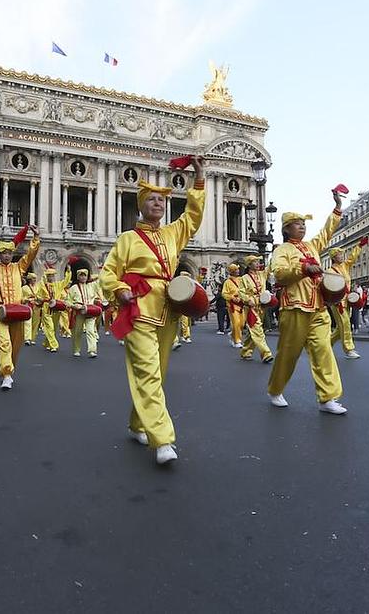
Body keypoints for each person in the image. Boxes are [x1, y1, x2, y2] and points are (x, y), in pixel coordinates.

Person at [99, 157, 206, 465]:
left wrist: (199, 179)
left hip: (168, 310)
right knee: (148, 372)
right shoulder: (127, 239)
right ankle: (163, 440)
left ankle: (137, 423)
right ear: (141, 206)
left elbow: (193, 216)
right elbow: (108, 274)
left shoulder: (173, 233)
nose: (158, 203)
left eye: (162, 200)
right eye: (152, 199)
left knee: (156, 374)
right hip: (138, 310)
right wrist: (121, 290)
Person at [266, 190, 348, 414]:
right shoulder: (282, 250)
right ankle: (275, 389)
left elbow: (327, 231)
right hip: (294, 307)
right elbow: (280, 274)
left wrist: (337, 207)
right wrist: (303, 268)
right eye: (296, 224)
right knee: (288, 353)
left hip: (318, 307)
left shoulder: (312, 246)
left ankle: (327, 398)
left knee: (323, 350)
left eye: (303, 224)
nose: (302, 227)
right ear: (286, 229)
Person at [0, 226, 41, 389]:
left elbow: (31, 255)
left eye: (10, 253)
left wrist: (36, 237)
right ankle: (7, 374)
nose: (7, 256)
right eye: (4, 253)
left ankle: (10, 367)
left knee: (16, 344)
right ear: (0, 255)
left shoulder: (19, 267)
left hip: (17, 312)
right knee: (4, 342)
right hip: (0, 312)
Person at [327, 241, 365, 359]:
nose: (342, 256)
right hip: (338, 302)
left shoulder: (344, 266)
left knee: (340, 327)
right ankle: (349, 349)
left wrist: (359, 246)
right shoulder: (330, 271)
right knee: (346, 324)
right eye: (339, 255)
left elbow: (352, 257)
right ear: (334, 257)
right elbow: (329, 287)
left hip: (346, 301)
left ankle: (326, 345)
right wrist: (335, 299)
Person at [238, 255, 274, 363]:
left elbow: (271, 266)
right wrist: (247, 299)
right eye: (255, 262)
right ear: (249, 265)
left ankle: (245, 351)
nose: (258, 264)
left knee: (253, 331)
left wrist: (275, 252)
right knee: (257, 330)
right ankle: (266, 353)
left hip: (261, 306)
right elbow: (241, 292)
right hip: (251, 308)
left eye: (258, 262)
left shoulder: (262, 275)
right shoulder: (244, 278)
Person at [67, 268, 102, 358]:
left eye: (84, 275)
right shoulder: (73, 288)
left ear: (87, 277)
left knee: (91, 331)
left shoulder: (92, 286)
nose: (83, 277)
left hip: (90, 311)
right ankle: (76, 349)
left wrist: (102, 270)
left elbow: (101, 279)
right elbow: (67, 301)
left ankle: (92, 350)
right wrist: (74, 306)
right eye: (81, 275)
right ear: (78, 277)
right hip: (79, 312)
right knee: (77, 332)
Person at [221, 264, 245, 348]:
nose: (238, 271)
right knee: (236, 322)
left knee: (241, 324)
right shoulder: (227, 282)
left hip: (241, 304)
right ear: (232, 271)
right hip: (232, 305)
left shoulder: (241, 279)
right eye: (236, 269)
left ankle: (233, 334)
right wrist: (232, 298)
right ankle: (237, 341)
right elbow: (224, 293)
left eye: (238, 269)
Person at [21, 272, 38, 346]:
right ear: (29, 279)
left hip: (36, 306)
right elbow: (21, 297)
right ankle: (27, 338)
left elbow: (40, 295)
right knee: (27, 322)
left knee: (35, 323)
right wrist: (26, 299)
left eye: (35, 278)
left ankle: (33, 338)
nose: (34, 280)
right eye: (33, 278)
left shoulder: (38, 287)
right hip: (27, 306)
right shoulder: (24, 288)